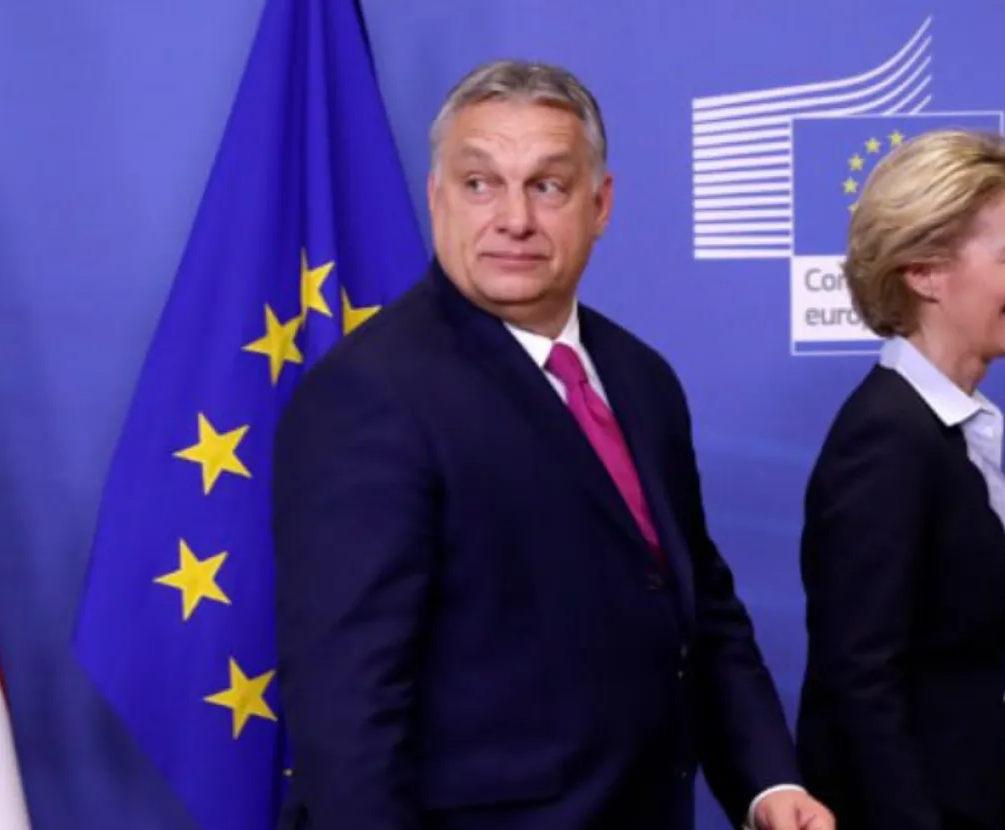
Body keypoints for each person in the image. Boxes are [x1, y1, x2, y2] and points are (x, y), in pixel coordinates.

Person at [272, 59, 833, 830]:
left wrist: (768, 783)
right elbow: (348, 713)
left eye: (547, 185)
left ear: (599, 204)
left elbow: (695, 604)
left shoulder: (640, 377)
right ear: (437, 198)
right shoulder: (368, 393)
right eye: (480, 184)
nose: (514, 219)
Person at [794, 129, 1005, 830]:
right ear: (924, 271)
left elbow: (963, 680)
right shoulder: (886, 441)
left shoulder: (946, 432)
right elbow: (860, 690)